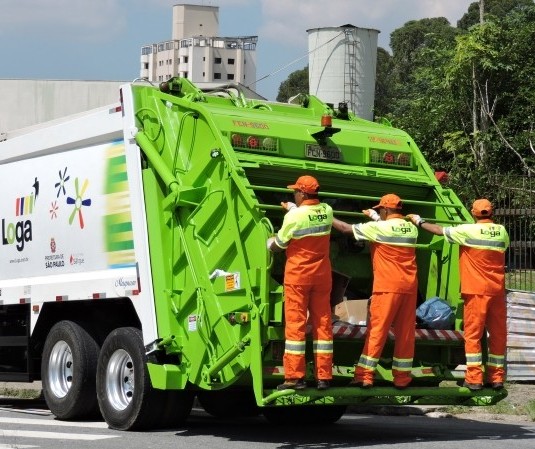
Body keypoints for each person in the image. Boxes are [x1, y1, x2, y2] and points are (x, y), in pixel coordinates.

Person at [408, 199, 509, 391]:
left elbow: (439, 231)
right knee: (498, 334)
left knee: (473, 335)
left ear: (473, 212)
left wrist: (419, 221)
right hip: (496, 291)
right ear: (492, 212)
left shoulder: (467, 231)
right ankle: (496, 378)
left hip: (476, 291)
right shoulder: (502, 231)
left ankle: (474, 378)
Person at [332, 193, 418, 389]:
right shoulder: (410, 228)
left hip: (387, 287)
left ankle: (364, 376)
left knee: (377, 331)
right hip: (409, 287)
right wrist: (375, 217)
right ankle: (402, 378)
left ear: (386, 209)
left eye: (380, 209)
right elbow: (391, 229)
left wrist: (326, 215)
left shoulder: (379, 228)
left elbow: (346, 229)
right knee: (405, 333)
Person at [267, 175, 334, 391]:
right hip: (322, 275)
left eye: (295, 191)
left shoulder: (294, 217)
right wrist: (294, 209)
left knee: (296, 325)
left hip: (299, 276)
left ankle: (295, 378)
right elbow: (310, 216)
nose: (293, 194)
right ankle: (324, 377)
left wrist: (269, 244)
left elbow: (280, 243)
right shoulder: (327, 211)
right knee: (323, 324)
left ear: (302, 193)